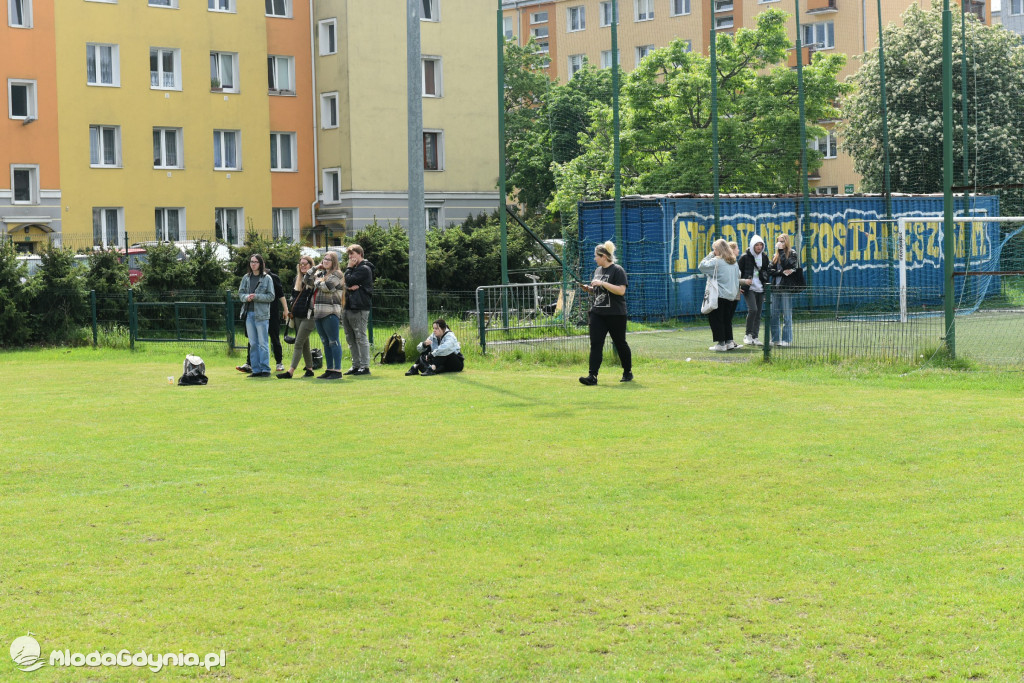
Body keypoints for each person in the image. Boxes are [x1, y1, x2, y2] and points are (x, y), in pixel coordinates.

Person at [579, 241, 632, 385]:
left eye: (596, 256)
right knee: (596, 344)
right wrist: (589, 289)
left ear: (603, 256)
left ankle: (627, 372)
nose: (594, 259)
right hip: (598, 313)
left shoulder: (617, 270)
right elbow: (600, 292)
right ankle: (592, 376)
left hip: (616, 314)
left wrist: (602, 283)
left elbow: (621, 291)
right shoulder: (598, 271)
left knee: (620, 343)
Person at [306, 251, 345, 380]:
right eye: (324, 259)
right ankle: (329, 369)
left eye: (329, 259)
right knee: (325, 342)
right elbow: (307, 280)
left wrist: (317, 281)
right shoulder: (321, 273)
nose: (325, 261)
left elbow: (327, 287)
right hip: (318, 313)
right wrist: (315, 268)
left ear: (334, 262)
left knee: (334, 341)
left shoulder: (337, 274)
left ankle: (337, 370)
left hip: (330, 312)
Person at [277, 255, 318, 379]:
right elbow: (293, 296)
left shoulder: (315, 278)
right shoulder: (297, 279)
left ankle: (290, 371)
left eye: (306, 264)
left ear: (311, 265)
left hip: (309, 316)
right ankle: (310, 369)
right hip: (297, 315)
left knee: (298, 343)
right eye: (301, 264)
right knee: (305, 343)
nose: (303, 266)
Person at [699, 238, 741, 352]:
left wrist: (710, 255)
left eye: (714, 249)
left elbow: (702, 266)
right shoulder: (734, 262)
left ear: (718, 250)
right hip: (731, 295)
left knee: (716, 319)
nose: (714, 252)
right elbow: (739, 275)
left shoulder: (716, 261)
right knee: (727, 319)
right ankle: (729, 341)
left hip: (719, 295)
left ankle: (721, 344)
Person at [237, 254, 275, 377]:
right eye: (251, 262)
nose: (253, 264)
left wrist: (256, 297)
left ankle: (265, 369)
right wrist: (246, 297)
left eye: (256, 262)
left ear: (260, 264)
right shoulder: (246, 278)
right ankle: (256, 369)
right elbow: (240, 293)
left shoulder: (267, 278)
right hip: (249, 313)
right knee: (253, 343)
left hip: (262, 315)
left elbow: (271, 296)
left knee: (263, 343)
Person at [342, 244, 375, 376]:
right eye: (349, 255)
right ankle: (355, 365)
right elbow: (344, 282)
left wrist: (349, 269)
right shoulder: (354, 270)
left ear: (360, 254)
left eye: (353, 254)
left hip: (360, 306)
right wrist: (348, 286)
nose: (350, 257)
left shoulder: (364, 269)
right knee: (350, 337)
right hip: (348, 305)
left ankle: (365, 366)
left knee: (360, 336)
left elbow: (348, 281)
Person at [768, 234, 800, 347]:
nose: (779, 243)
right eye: (778, 241)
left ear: (786, 242)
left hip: (786, 288)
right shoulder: (775, 255)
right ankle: (775, 339)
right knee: (774, 314)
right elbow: (770, 271)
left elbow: (787, 265)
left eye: (782, 241)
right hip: (775, 288)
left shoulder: (792, 253)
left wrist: (781, 251)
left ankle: (786, 340)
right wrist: (781, 273)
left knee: (786, 314)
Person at [737, 235, 769, 346]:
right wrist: (740, 285)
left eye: (761, 245)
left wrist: (765, 289)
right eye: (757, 245)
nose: (759, 247)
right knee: (753, 310)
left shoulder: (764, 257)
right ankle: (748, 334)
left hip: (760, 288)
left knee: (759, 313)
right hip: (748, 288)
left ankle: (755, 336)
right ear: (752, 245)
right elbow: (737, 273)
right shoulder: (745, 257)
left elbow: (766, 273)